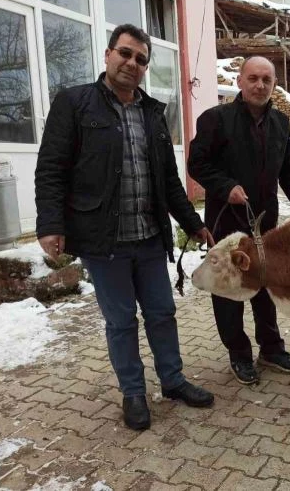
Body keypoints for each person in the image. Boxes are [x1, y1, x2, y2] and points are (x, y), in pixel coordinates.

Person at [35, 24, 215, 431]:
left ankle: (172, 381)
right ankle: (133, 392)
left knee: (162, 313)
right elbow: (51, 170)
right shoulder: (75, 104)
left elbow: (168, 180)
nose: (132, 63)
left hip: (150, 237)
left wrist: (193, 223)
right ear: (108, 54)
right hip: (104, 241)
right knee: (121, 321)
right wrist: (50, 224)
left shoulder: (153, 114)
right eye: (125, 53)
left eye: (141, 59)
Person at [188, 56, 290, 385]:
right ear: (240, 81)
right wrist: (225, 186)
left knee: (264, 286)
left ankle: (271, 348)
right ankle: (239, 354)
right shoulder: (216, 119)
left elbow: (289, 169)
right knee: (229, 289)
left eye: (266, 80)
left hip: (265, 223)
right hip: (226, 220)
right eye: (253, 78)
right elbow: (197, 164)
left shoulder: (281, 124)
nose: (260, 85)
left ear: (274, 85)